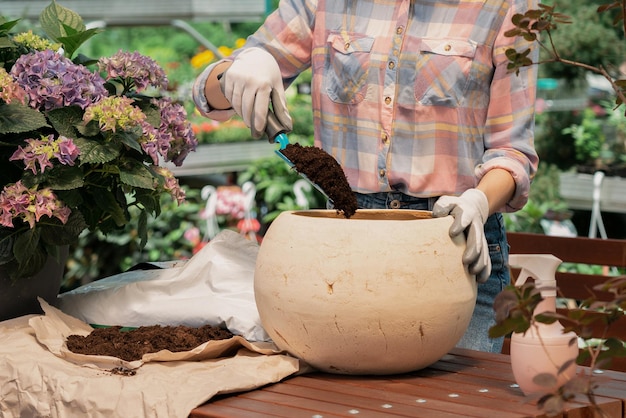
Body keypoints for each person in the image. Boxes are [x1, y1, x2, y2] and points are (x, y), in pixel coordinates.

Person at [193, 0, 539, 353]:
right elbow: (207, 94)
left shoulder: (510, 7)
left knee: (451, 404)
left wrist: (478, 203)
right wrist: (244, 68)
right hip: (345, 247)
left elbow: (512, 152)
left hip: (453, 244)